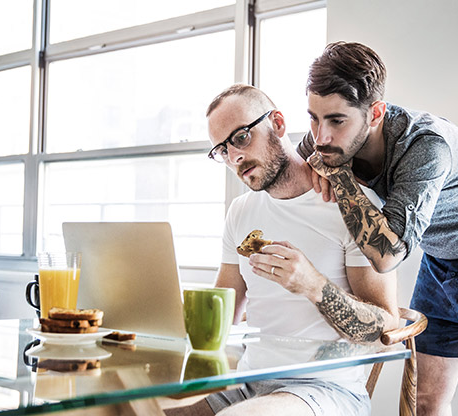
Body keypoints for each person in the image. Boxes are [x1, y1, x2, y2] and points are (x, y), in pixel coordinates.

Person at [300, 41, 458, 416]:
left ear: (375, 114)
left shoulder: (425, 146)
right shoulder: (326, 138)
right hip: (445, 255)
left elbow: (387, 256)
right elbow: (292, 171)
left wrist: (339, 178)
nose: (320, 138)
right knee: (424, 401)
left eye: (336, 120)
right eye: (313, 118)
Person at [165, 84, 399, 416]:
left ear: (277, 123)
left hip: (325, 390)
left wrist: (312, 284)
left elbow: (386, 330)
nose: (235, 157)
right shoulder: (241, 212)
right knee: (126, 410)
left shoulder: (352, 209)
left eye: (241, 137)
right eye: (222, 150)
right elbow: (222, 312)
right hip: (247, 386)